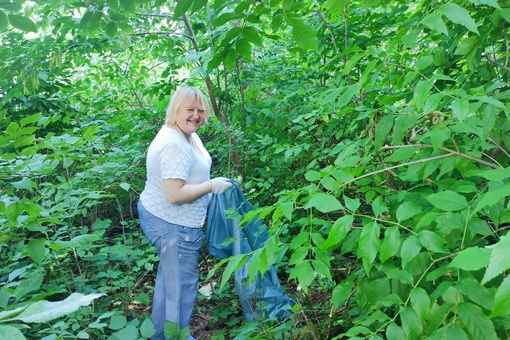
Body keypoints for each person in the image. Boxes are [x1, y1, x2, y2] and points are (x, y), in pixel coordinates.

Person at [137, 86, 232, 340]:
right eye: (189, 109)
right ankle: (176, 337)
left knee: (170, 282)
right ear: (176, 110)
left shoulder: (186, 134)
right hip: (172, 224)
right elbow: (174, 194)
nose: (196, 115)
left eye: (201, 110)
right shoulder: (173, 144)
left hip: (171, 219)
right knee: (180, 287)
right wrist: (211, 186)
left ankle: (160, 335)